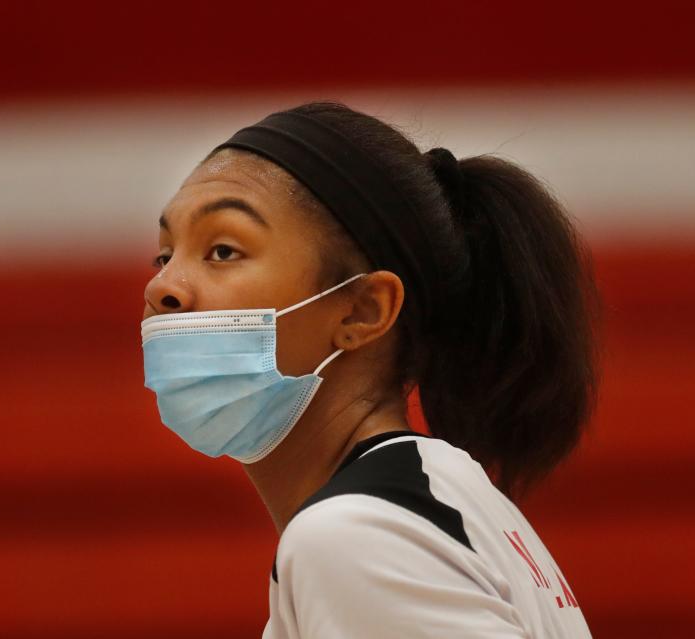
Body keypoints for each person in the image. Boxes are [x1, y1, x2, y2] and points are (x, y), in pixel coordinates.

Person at [140, 101, 601, 638]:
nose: (162, 287)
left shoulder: (356, 536)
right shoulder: (439, 504)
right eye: (164, 255)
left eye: (222, 250)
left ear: (364, 310)